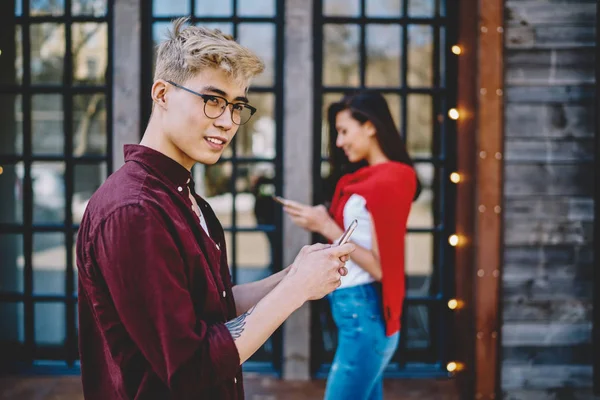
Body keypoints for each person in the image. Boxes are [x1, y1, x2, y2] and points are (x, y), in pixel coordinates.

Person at [75, 18, 355, 400]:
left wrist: (294, 274)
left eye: (237, 106)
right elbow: (192, 366)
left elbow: (213, 310)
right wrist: (295, 288)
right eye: (212, 100)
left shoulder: (186, 198)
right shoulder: (134, 211)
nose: (227, 121)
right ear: (161, 94)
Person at [283, 90, 420, 400]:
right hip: (353, 310)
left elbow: (383, 268)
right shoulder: (363, 178)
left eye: (344, 131)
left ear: (370, 126)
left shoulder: (392, 178)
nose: (340, 142)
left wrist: (326, 226)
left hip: (365, 311)